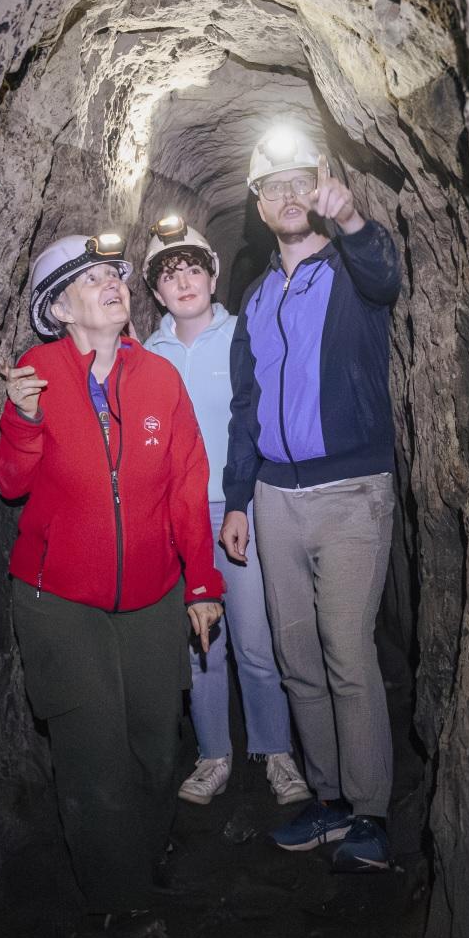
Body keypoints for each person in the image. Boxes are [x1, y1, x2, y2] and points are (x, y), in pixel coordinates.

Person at [0, 230, 224, 938]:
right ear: (59, 308)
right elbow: (9, 483)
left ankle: (140, 854)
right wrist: (24, 421)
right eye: (91, 280)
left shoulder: (158, 377)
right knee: (92, 747)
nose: (112, 285)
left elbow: (188, 484)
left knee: (155, 745)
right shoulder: (37, 372)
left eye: (114, 276)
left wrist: (202, 582)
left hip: (153, 594)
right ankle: (115, 900)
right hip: (59, 598)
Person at [221, 130, 402, 873]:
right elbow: (245, 409)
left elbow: (387, 276)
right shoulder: (257, 299)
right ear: (260, 206)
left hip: (352, 490)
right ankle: (327, 800)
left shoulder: (351, 272)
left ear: (319, 189)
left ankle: (369, 812)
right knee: (298, 656)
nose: (289, 196)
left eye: (301, 183)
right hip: (274, 496)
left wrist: (353, 220)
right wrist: (237, 498)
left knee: (346, 652)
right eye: (274, 187)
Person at [140, 216, 312, 808]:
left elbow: (262, 419)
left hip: (240, 507)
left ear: (213, 277)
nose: (183, 282)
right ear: (156, 292)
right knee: (202, 643)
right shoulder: (146, 355)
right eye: (169, 274)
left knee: (256, 639)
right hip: (177, 518)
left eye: (193, 268)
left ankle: (275, 751)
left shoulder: (246, 334)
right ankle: (214, 755)